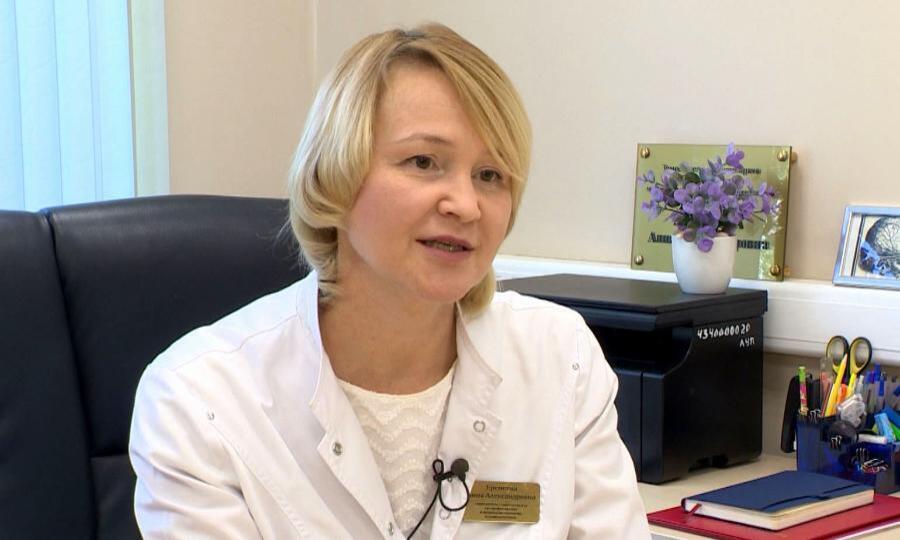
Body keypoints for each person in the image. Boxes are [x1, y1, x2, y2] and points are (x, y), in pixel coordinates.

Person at [129, 23, 650, 539]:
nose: (466, 205)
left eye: (490, 175)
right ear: (334, 177)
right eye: (424, 162)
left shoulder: (562, 357)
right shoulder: (199, 400)